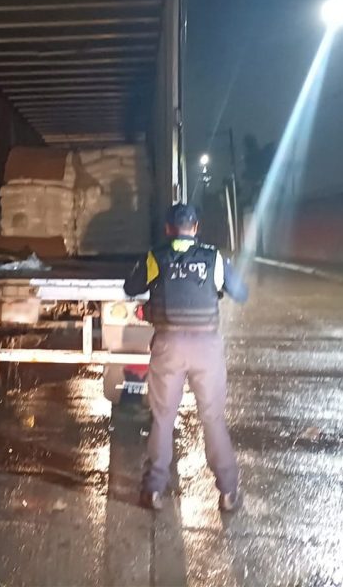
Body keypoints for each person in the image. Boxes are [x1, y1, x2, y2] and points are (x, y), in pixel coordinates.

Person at [124, 203, 249, 512]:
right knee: (213, 418)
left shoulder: (156, 257)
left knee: (163, 418)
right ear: (195, 228)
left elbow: (131, 287)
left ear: (168, 229)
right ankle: (228, 492)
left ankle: (153, 490)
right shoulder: (213, 257)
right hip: (206, 348)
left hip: (168, 346)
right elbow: (241, 293)